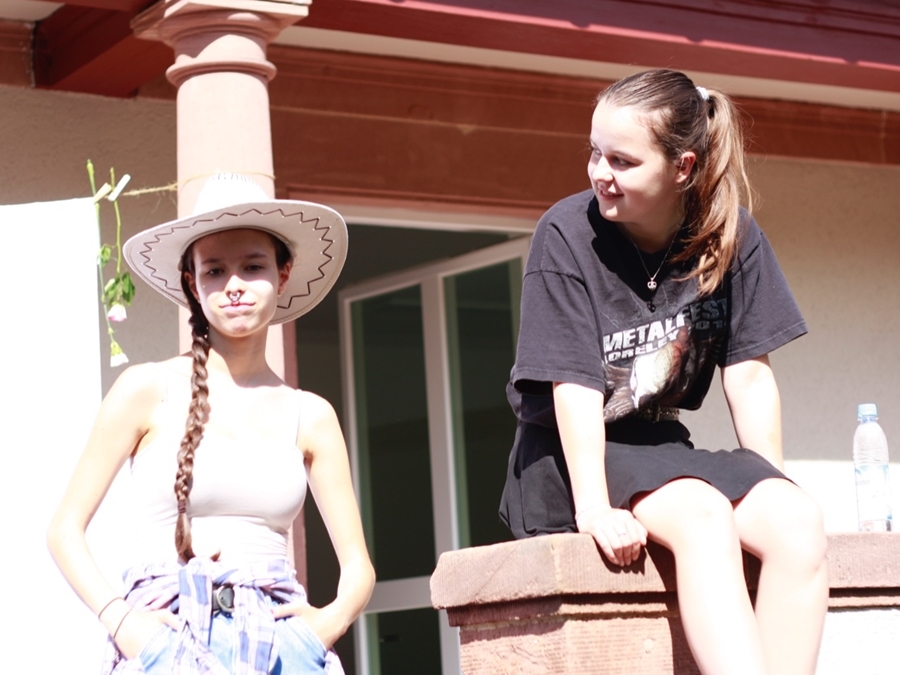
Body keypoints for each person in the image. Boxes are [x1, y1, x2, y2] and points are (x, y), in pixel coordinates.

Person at [499, 70, 828, 675]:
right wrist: (594, 509)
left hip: (662, 448)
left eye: (622, 160)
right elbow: (573, 386)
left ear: (683, 167)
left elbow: (750, 375)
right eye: (595, 152)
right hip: (570, 455)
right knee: (703, 517)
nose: (600, 172)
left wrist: (770, 482)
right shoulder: (566, 233)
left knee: (798, 520)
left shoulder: (730, 236)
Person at [47, 173, 375, 674]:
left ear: (283, 274)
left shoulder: (310, 414)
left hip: (280, 646)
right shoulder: (146, 389)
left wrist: (321, 629)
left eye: (253, 266)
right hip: (169, 639)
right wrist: (125, 624)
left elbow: (358, 567)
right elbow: (64, 529)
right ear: (192, 283)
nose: (234, 286)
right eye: (215, 270)